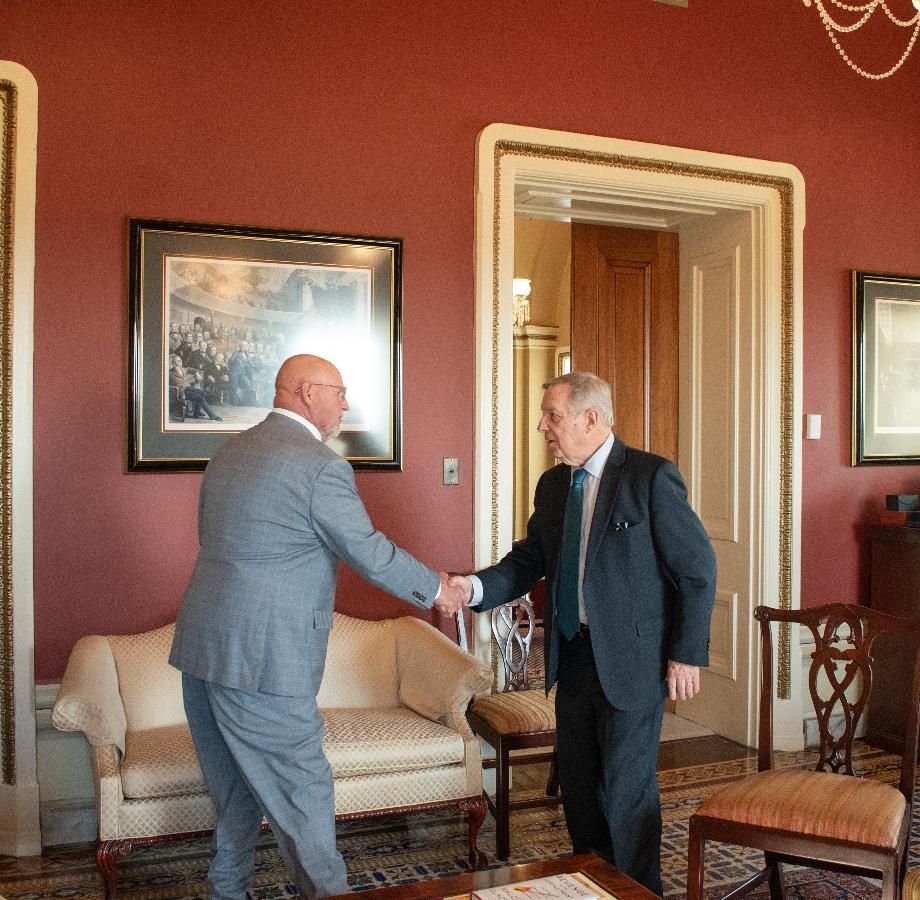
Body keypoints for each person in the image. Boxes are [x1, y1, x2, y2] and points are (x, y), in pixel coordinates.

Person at [169, 353, 467, 899]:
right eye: (340, 391)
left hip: (202, 650)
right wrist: (438, 588)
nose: (346, 403)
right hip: (263, 659)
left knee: (235, 791)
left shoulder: (230, 453)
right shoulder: (319, 465)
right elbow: (368, 552)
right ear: (307, 392)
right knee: (302, 790)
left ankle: (225, 891)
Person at [450, 371, 716, 896]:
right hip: (572, 657)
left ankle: (641, 892)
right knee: (580, 791)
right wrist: (473, 588)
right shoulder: (553, 485)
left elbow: (697, 569)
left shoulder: (649, 476)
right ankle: (594, 887)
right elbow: (530, 559)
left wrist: (685, 655)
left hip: (634, 662)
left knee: (626, 792)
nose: (542, 426)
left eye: (552, 415)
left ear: (590, 418)